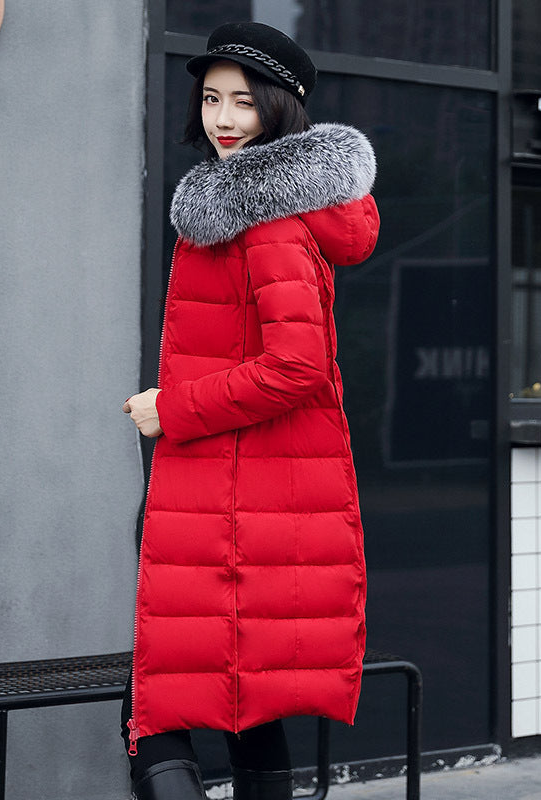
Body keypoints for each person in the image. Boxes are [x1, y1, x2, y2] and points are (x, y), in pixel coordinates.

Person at [121, 21, 380, 800]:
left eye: (243, 101)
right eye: (211, 99)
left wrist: (173, 409)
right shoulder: (244, 206)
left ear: (280, 106)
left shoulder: (264, 217)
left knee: (155, 712)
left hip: (231, 497)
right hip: (236, 493)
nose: (224, 119)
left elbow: (299, 367)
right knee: (244, 703)